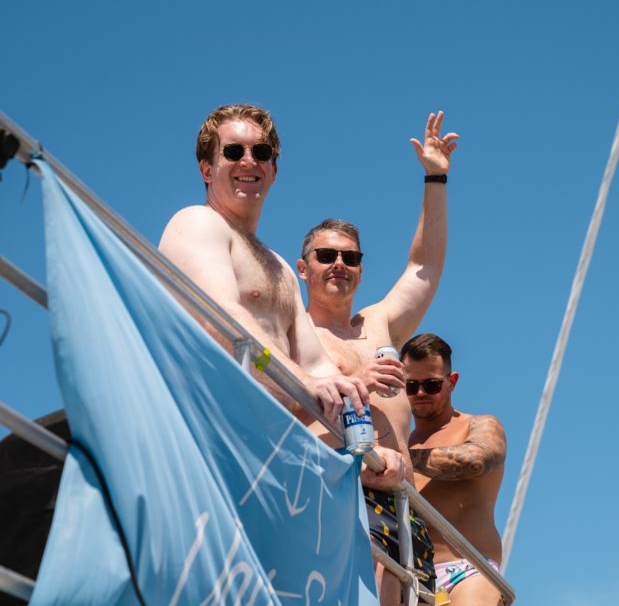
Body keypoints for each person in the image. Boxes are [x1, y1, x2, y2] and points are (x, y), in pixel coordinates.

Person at [296, 111, 459, 603]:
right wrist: (358, 382)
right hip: (340, 496)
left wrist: (435, 177)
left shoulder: (378, 323)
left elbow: (424, 267)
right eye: (327, 256)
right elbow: (282, 406)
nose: (340, 264)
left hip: (403, 504)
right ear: (304, 269)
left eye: (352, 257)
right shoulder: (294, 332)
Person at [159, 104, 368, 422]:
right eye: (232, 151)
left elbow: (317, 366)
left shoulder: (280, 267)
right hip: (204, 426)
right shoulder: (197, 222)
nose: (248, 160)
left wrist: (367, 444)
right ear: (207, 170)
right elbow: (219, 321)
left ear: (273, 171)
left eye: (260, 152)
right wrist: (304, 382)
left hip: (269, 445)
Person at [405, 333, 507, 606]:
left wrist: (404, 457)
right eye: (412, 386)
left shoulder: (478, 424)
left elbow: (478, 459)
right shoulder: (398, 443)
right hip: (409, 576)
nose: (421, 393)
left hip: (468, 570)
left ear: (452, 382)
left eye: (432, 384)